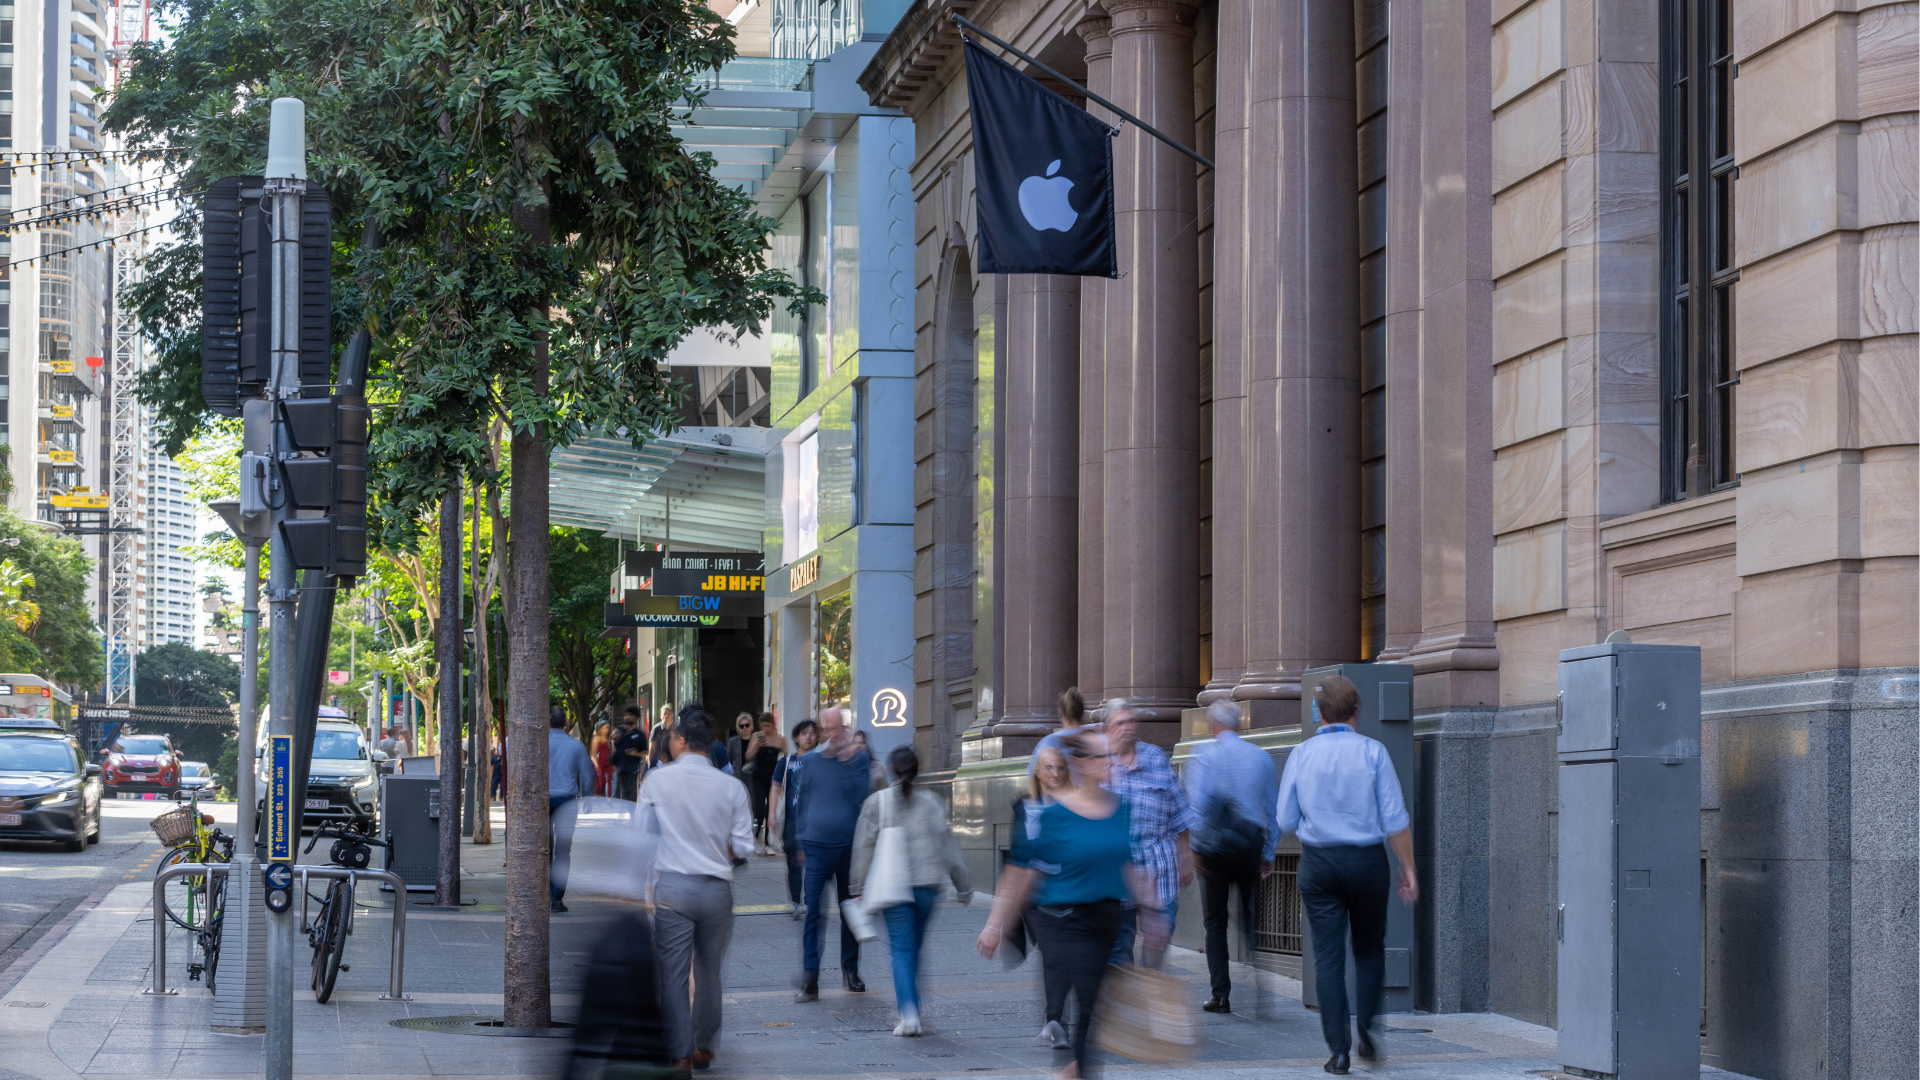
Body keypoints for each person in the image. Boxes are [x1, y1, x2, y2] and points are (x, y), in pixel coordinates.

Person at [978, 731, 1164, 1080]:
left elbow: (1126, 862)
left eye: (1111, 756)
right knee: (1089, 998)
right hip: (1066, 918)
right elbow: (1022, 871)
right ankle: (1076, 1071)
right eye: (1101, 757)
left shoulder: (1119, 808)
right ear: (1080, 762)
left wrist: (1152, 912)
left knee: (1096, 1005)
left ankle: (1071, 1072)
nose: (1109, 763)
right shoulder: (1055, 814)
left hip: (1108, 916)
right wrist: (997, 924)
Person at [1277, 676, 1417, 1074]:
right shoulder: (1374, 751)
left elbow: (1285, 819)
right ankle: (1367, 1032)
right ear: (1356, 713)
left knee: (1328, 956)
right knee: (1369, 949)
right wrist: (1408, 867)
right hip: (1367, 861)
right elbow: (1395, 819)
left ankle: (1338, 1051)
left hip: (1319, 863)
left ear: (1319, 715)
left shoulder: (1301, 754)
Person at [637, 710, 754, 1075]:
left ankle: (680, 1054)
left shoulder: (656, 781)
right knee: (709, 971)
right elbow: (743, 846)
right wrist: (715, 847)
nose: (669, 742)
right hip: (716, 888)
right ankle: (704, 1046)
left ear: (683, 741)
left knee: (672, 975)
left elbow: (643, 835)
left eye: (672, 737)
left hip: (673, 886)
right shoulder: (731, 787)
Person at [850, 746, 973, 1036]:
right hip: (928, 886)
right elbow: (949, 847)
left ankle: (908, 1013)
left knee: (901, 950)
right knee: (914, 948)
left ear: (890, 769)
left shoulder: (877, 802)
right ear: (918, 771)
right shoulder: (932, 802)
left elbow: (863, 846)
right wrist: (964, 887)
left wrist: (857, 886)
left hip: (893, 887)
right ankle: (913, 1006)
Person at [1185, 697, 1281, 1015]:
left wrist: (1196, 847)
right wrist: (1268, 852)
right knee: (1250, 915)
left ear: (1213, 725)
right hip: (1250, 842)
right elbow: (1273, 810)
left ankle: (1221, 995)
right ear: (1238, 724)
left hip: (1214, 847)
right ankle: (1262, 989)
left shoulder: (1204, 754)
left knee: (1215, 921)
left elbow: (1198, 806)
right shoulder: (1260, 757)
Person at [789, 705, 873, 1001]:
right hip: (816, 848)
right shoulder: (810, 762)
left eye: (839, 728)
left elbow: (862, 796)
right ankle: (810, 977)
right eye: (828, 729)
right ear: (822, 731)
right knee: (814, 912)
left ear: (845, 728)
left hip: (849, 847)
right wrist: (800, 841)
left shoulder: (858, 760)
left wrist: (847, 760)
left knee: (850, 910)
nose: (834, 734)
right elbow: (802, 803)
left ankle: (851, 971)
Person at [1102, 701, 1194, 968]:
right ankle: (1125, 986)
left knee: (1158, 941)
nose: (1127, 728)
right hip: (1116, 873)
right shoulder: (1098, 763)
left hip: (1159, 868)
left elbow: (1179, 810)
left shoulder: (1155, 758)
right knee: (1119, 953)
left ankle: (1149, 980)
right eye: (1120, 723)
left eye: (1130, 721)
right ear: (1106, 728)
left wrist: (1186, 855)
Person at [1024, 744, 1075, 1048]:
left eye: (1060, 768)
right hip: (1035, 897)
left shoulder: (1075, 806)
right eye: (1049, 768)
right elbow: (1018, 854)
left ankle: (1054, 1019)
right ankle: (1056, 1020)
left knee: (1063, 957)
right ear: (1038, 771)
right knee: (1054, 955)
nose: (1055, 774)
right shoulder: (1025, 806)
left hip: (1068, 891)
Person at [546, 707, 597, 913]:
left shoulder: (540, 742)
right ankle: (557, 898)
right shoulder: (576, 745)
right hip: (567, 800)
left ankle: (543, 892)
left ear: (548, 723)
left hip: (543, 800)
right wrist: (587, 797)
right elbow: (587, 774)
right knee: (563, 850)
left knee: (544, 849)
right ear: (566, 725)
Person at [769, 719, 820, 918]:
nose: (808, 737)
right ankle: (796, 902)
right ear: (796, 738)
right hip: (792, 821)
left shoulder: (822, 760)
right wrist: (772, 814)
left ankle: (810, 901)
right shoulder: (786, 762)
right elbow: (775, 788)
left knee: (814, 863)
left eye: (812, 733)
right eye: (804, 733)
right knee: (793, 863)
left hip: (815, 821)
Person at [1026, 688, 1086, 775]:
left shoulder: (1050, 742)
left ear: (1059, 712)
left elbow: (1033, 773)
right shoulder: (1094, 739)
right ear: (1082, 712)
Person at [748, 713, 784, 855]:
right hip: (758, 776)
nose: (765, 729)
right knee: (759, 809)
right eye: (762, 726)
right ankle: (757, 836)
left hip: (773, 778)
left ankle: (768, 843)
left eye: (768, 726)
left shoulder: (780, 739)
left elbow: (787, 757)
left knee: (771, 809)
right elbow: (748, 756)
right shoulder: (756, 736)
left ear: (773, 725)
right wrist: (756, 745)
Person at [613, 706, 648, 802]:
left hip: (632, 771)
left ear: (636, 717)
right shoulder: (620, 731)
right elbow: (614, 747)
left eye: (630, 715)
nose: (627, 717)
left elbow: (646, 752)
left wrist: (636, 753)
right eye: (625, 715)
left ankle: (631, 811)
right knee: (617, 798)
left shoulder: (639, 734)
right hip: (618, 770)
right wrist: (614, 739)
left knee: (630, 798)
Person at [590, 720, 615, 797]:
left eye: (608, 728)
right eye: (605, 727)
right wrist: (596, 764)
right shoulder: (596, 739)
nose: (607, 729)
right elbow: (592, 755)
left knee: (609, 783)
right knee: (600, 784)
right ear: (600, 729)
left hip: (608, 765)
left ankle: (609, 800)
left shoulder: (609, 740)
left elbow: (611, 752)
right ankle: (598, 799)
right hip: (599, 765)